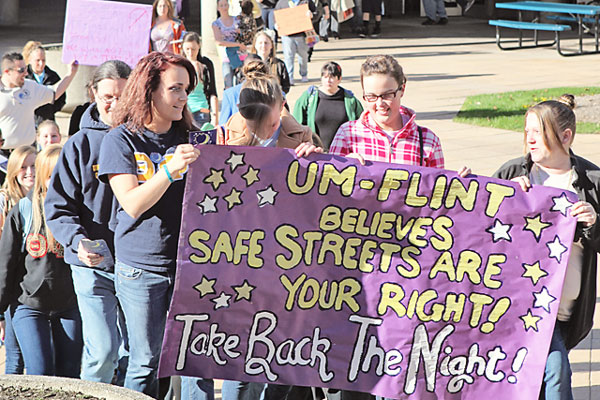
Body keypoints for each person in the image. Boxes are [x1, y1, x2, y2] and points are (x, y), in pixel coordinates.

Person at [327, 55, 468, 400]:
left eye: (387, 95)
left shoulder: (426, 140)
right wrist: (339, 172)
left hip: (409, 269)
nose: (379, 104)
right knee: (357, 365)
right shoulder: (349, 135)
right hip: (359, 267)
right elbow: (327, 201)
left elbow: (439, 208)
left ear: (402, 89)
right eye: (371, 97)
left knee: (402, 364)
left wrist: (460, 190)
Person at [98, 52, 211, 399]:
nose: (183, 98)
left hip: (193, 268)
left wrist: (294, 151)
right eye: (175, 88)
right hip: (141, 268)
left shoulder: (194, 137)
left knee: (195, 361)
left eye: (187, 89)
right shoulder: (120, 140)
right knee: (145, 362)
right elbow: (131, 203)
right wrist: (168, 170)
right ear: (149, 89)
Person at [217, 69, 322, 400]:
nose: (272, 127)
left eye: (277, 119)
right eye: (263, 123)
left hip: (285, 264)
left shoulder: (302, 135)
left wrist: (317, 164)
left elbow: (328, 201)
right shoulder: (223, 137)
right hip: (238, 262)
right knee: (236, 358)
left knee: (276, 354)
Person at [493, 95, 599, 400]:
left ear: (565, 136)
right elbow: (479, 230)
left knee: (537, 379)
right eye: (527, 132)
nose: (529, 139)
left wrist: (593, 223)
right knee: (555, 371)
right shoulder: (512, 174)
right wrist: (506, 201)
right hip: (522, 305)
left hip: (569, 309)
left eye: (537, 132)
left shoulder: (591, 181)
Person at [45, 60, 132, 384]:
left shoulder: (146, 137)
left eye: (122, 95)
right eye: (108, 95)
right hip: (92, 264)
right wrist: (77, 241)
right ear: (94, 92)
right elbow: (57, 206)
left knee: (136, 354)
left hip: (137, 264)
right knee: (104, 351)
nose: (115, 103)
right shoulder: (79, 144)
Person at [0, 144, 83, 378]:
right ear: (42, 177)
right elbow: (6, 265)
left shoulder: (79, 210)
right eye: (52, 176)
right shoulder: (24, 210)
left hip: (68, 304)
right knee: (41, 373)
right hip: (29, 304)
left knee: (69, 376)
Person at [0, 145, 36, 376]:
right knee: (15, 357)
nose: (30, 172)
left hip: (36, 290)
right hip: (11, 291)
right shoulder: (4, 203)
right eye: (23, 167)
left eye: (34, 166)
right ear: (13, 170)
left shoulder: (47, 202)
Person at [0, 53, 77, 155]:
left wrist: (71, 73)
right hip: (3, 154)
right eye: (21, 70)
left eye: (26, 69)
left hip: (27, 152)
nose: (26, 73)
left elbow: (55, 93)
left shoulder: (30, 87)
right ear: (7, 72)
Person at [293, 61, 363, 150]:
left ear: (339, 79)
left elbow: (361, 124)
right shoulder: (309, 97)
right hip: (315, 151)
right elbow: (296, 124)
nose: (328, 80)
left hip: (343, 152)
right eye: (325, 77)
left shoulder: (350, 100)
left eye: (332, 77)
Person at [23, 41, 66, 126]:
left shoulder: (53, 76)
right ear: (29, 60)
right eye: (37, 60)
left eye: (43, 60)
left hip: (47, 120)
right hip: (28, 122)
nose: (41, 64)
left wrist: (49, 109)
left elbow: (61, 98)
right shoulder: (23, 77)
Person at [182, 32, 219, 127]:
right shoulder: (180, 64)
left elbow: (212, 91)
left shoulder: (205, 64)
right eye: (187, 49)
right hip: (184, 110)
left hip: (201, 109)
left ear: (199, 46)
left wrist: (215, 117)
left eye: (193, 49)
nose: (190, 53)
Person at [275, 0, 316, 85]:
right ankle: (289, 77)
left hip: (302, 34)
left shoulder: (306, 1)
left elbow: (316, 12)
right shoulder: (282, 2)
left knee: (303, 56)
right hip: (287, 35)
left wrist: (312, 15)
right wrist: (276, 25)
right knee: (288, 57)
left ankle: (304, 73)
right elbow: (276, 16)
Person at [219, 55, 267, 124]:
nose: (254, 73)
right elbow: (223, 126)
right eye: (251, 70)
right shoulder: (230, 94)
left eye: (257, 69)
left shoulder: (275, 92)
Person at [213, 0, 247, 89]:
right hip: (226, 57)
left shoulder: (237, 20)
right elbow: (219, 42)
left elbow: (246, 34)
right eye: (221, 5)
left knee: (243, 84)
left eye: (225, 5)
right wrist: (237, 44)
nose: (224, 7)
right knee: (228, 84)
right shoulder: (216, 24)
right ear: (218, 8)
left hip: (241, 55)